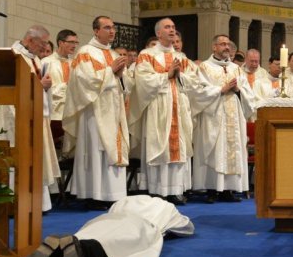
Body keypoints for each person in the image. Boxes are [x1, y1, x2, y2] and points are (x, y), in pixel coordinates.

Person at [16, 195, 194, 257]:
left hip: (105, 220)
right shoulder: (165, 207)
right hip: (140, 225)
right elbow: (186, 227)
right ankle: (81, 252)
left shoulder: (123, 201)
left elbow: (112, 210)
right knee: (113, 248)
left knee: (90, 236)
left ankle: (53, 254)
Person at [62, 16, 131, 208]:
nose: (112, 31)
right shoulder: (86, 52)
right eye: (107, 27)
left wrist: (120, 76)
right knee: (96, 149)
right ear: (95, 31)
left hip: (114, 110)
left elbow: (126, 85)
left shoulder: (115, 54)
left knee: (112, 149)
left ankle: (113, 193)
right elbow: (83, 80)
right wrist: (110, 72)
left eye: (113, 28)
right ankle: (94, 194)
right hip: (94, 111)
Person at [130, 18, 199, 204]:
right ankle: (158, 190)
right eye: (167, 27)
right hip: (159, 106)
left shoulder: (182, 58)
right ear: (158, 33)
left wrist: (180, 75)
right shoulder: (147, 55)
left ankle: (176, 190)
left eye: (174, 28)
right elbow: (142, 81)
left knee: (179, 147)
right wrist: (166, 75)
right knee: (159, 145)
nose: (172, 31)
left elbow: (195, 82)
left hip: (179, 106)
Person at [0, 25, 59, 211]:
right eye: (43, 43)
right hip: (16, 118)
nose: (45, 48)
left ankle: (36, 204)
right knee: (19, 160)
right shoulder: (12, 57)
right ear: (30, 40)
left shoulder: (35, 60)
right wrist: (40, 85)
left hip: (35, 116)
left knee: (35, 159)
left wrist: (44, 87)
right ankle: (15, 203)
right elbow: (10, 89)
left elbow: (39, 88)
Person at [191, 33, 253, 203]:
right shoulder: (204, 67)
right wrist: (221, 89)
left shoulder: (236, 68)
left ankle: (228, 190)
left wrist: (238, 90)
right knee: (214, 151)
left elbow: (247, 91)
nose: (227, 47)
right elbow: (198, 91)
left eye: (228, 44)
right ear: (214, 47)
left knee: (232, 150)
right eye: (223, 44)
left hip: (233, 114)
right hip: (214, 115)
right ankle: (211, 189)